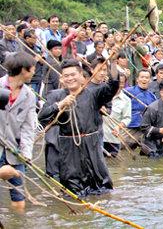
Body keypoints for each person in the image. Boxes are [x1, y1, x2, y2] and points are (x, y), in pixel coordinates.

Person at [38, 59, 119, 196]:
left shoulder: (93, 94)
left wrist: (114, 62)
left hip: (92, 146)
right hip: (69, 149)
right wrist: (60, 105)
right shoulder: (55, 95)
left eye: (73, 74)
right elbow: (42, 117)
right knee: (72, 191)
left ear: (82, 76)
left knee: (102, 188)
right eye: (66, 76)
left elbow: (113, 85)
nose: (70, 78)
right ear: (62, 79)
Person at [0, 52, 37, 212]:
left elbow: (29, 127)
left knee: (19, 199)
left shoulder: (29, 95)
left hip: (14, 152)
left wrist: (26, 153)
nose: (34, 72)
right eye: (33, 69)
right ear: (24, 70)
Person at [123, 69, 157, 150]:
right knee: (123, 150)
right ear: (137, 79)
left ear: (150, 80)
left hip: (145, 129)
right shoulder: (128, 92)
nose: (144, 79)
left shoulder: (152, 97)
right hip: (130, 127)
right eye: (142, 77)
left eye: (147, 77)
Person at [103, 73, 131, 157]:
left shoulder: (126, 100)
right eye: (117, 82)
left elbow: (127, 118)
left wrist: (118, 127)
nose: (118, 85)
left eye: (121, 82)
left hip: (113, 138)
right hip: (99, 137)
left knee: (114, 167)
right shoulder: (102, 94)